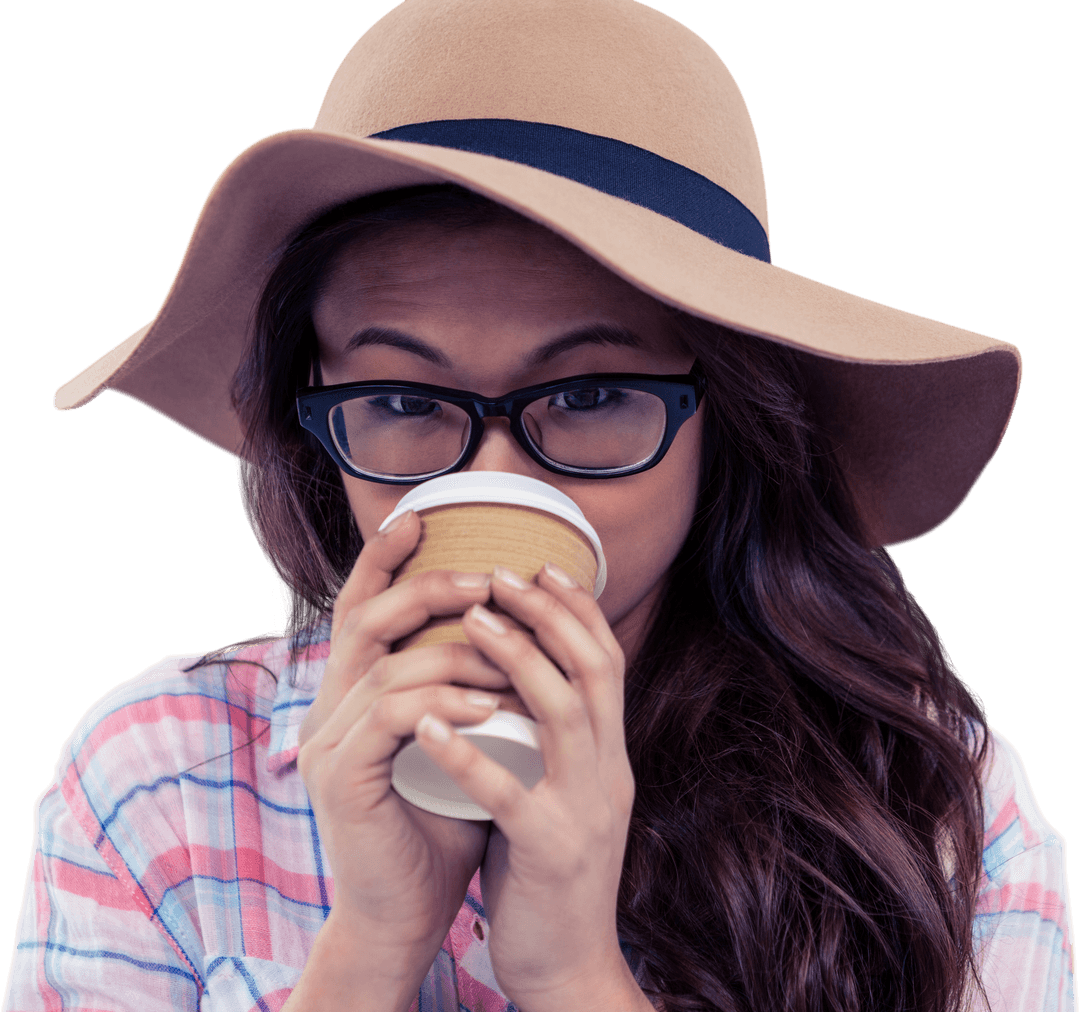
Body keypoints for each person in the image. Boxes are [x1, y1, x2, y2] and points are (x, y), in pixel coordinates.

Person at [4, 1, 1075, 1010]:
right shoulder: (156, 781)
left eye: (594, 394)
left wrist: (572, 972)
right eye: (404, 400)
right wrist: (372, 943)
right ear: (317, 423)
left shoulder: (927, 805)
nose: (503, 480)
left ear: (725, 420)